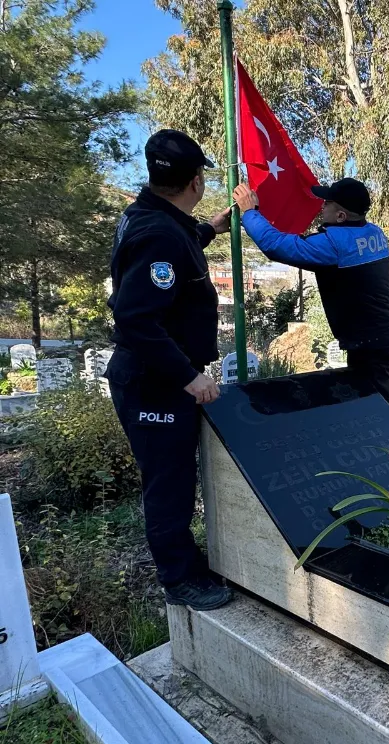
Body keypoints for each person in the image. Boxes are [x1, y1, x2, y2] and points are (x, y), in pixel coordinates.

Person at [106, 129, 232, 610]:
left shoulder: (153, 217)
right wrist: (189, 376)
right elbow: (137, 319)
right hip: (155, 383)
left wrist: (211, 229)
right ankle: (180, 580)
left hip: (157, 377)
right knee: (169, 483)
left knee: (174, 477)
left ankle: (184, 564)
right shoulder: (159, 233)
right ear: (196, 181)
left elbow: (176, 245)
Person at [232, 180, 389, 403]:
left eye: (327, 203)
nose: (321, 206)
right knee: (368, 406)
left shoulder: (335, 245)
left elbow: (275, 245)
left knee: (375, 412)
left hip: (372, 347)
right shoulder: (373, 232)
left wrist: (250, 213)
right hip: (386, 339)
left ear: (341, 216)